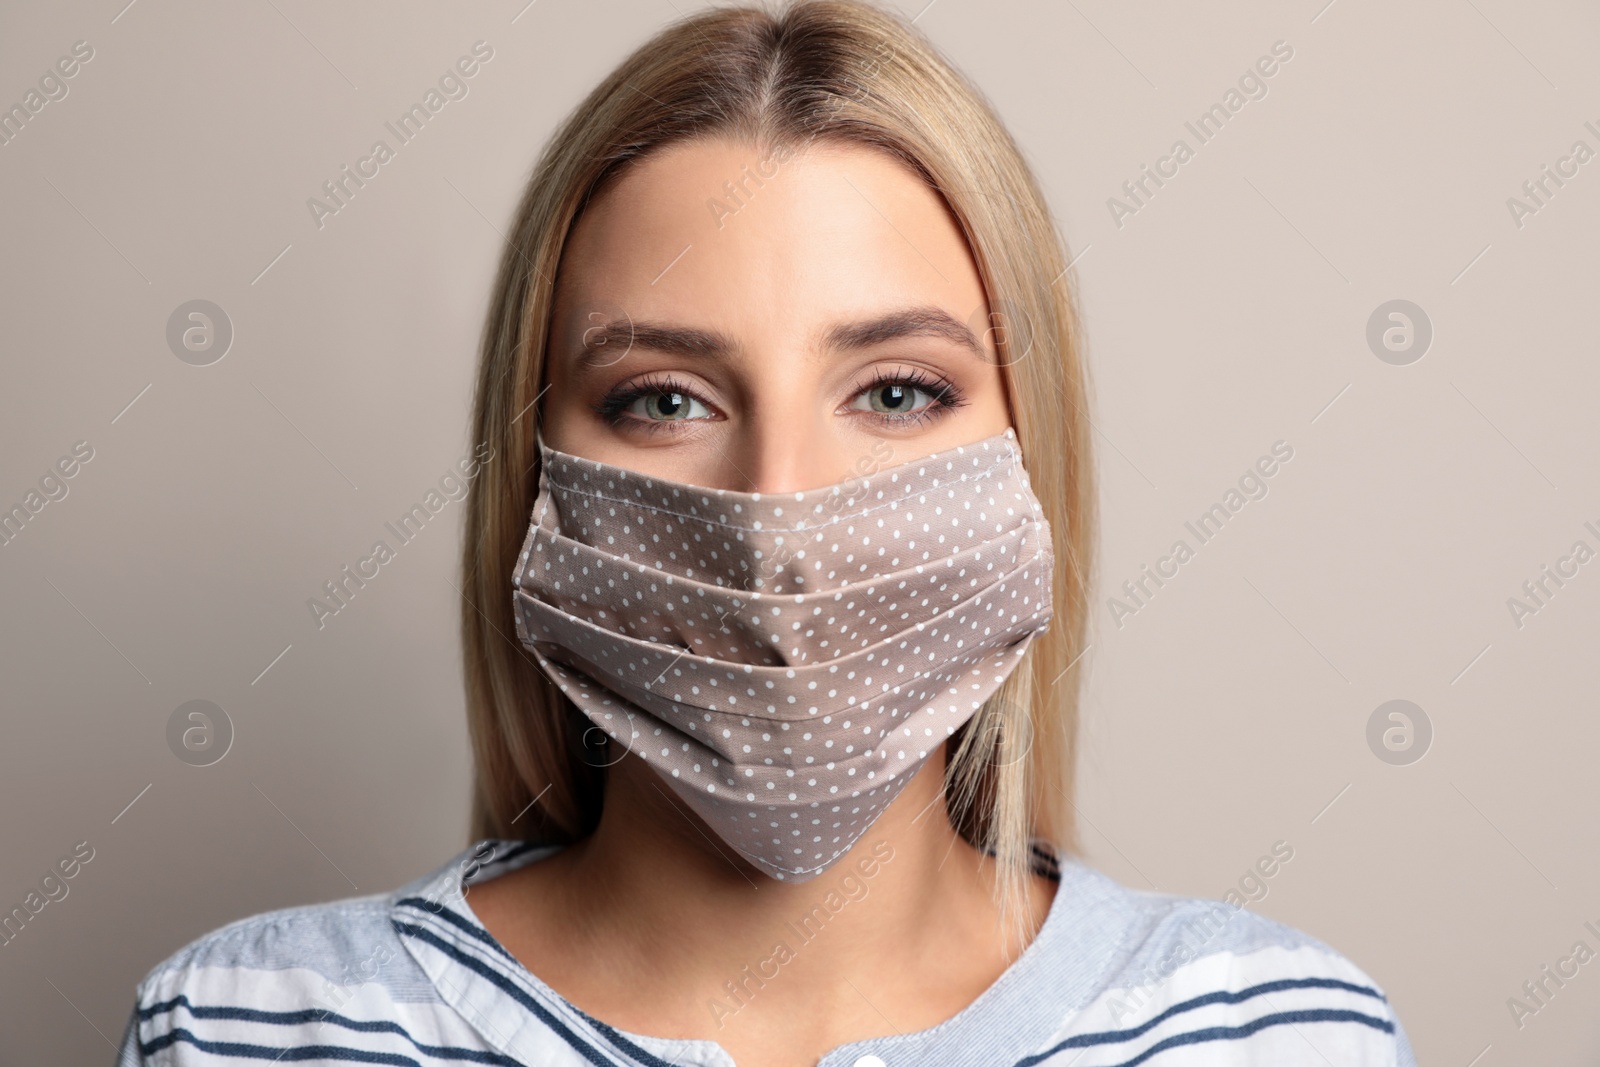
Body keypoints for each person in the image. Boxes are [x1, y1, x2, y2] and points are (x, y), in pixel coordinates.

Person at [117, 3, 1417, 1065]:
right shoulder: (255, 1027)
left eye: (898, 391)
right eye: (664, 399)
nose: (780, 507)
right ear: (537, 470)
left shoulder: (1280, 1035)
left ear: (1034, 452)